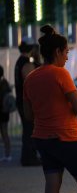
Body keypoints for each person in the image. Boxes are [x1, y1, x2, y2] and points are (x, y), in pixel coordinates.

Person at [23, 25, 77, 193]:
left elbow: (28, 114)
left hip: (42, 138)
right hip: (65, 137)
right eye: (66, 52)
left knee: (52, 185)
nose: (66, 57)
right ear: (57, 52)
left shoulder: (30, 78)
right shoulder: (60, 74)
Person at [15, 36, 40, 166]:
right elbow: (30, 83)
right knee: (30, 129)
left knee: (28, 129)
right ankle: (29, 157)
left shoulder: (20, 61)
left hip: (22, 101)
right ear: (31, 48)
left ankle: (28, 157)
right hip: (27, 102)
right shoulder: (26, 63)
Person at [0, 66, 12, 161]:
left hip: (2, 111)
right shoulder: (5, 83)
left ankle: (7, 154)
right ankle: (7, 154)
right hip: (5, 111)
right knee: (5, 132)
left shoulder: (2, 84)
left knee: (4, 132)